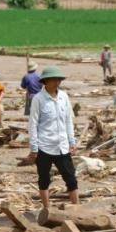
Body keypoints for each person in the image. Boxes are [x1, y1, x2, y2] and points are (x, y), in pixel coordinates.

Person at [29, 66, 78, 208]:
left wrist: (72, 141)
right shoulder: (38, 99)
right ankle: (47, 209)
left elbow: (68, 120)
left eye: (59, 80)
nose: (57, 82)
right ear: (46, 81)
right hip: (44, 146)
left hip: (62, 146)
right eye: (54, 80)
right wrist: (34, 148)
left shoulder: (64, 96)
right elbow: (33, 124)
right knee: (44, 179)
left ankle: (77, 209)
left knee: (71, 179)